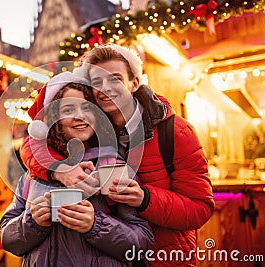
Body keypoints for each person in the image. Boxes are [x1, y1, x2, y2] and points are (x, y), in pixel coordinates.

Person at [20, 44, 215, 266]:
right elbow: (33, 144)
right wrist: (59, 169)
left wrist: (145, 199)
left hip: (163, 259)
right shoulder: (91, 128)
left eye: (115, 79)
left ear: (135, 82)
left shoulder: (175, 132)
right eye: (97, 82)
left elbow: (201, 209)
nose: (106, 88)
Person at [0, 71, 154, 266]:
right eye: (68, 110)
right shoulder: (33, 175)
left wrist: (95, 225)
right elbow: (7, 238)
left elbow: (143, 242)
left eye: (88, 108)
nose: (80, 117)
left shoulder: (112, 166)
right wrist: (31, 222)